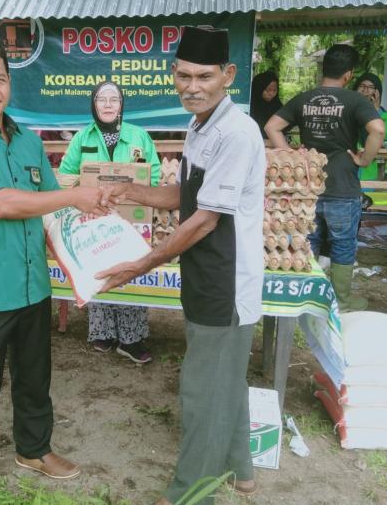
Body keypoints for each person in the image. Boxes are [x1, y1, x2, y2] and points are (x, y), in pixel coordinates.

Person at [0, 35, 111, 505]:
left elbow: (50, 213)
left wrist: (86, 259)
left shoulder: (30, 142)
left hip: (33, 286)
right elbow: (3, 204)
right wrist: (74, 195)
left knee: (35, 380)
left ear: (10, 82)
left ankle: (34, 449)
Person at [96, 27, 265, 504]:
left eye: (205, 76)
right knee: (223, 378)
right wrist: (129, 191)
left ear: (227, 75)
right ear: (174, 74)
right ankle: (242, 472)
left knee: (202, 391)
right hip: (203, 272)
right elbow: (185, 197)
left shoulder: (236, 132)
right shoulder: (200, 125)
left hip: (226, 280)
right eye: (184, 75)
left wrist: (141, 264)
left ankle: (190, 493)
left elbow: (206, 220)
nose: (192, 86)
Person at [265, 45, 385, 312]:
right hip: (343, 185)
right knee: (343, 243)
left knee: (309, 240)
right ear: (349, 74)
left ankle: (307, 297)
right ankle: (341, 301)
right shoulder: (356, 101)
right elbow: (378, 129)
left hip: (308, 185)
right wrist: (365, 159)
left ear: (323, 69)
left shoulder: (303, 99)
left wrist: (288, 155)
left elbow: (272, 126)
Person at [58, 79, 161, 363]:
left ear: (121, 105)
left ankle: (131, 338)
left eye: (113, 99)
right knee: (100, 267)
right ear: (93, 104)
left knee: (129, 267)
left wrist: (135, 195)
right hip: (94, 216)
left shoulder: (139, 136)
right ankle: (102, 332)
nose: (107, 104)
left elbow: (153, 176)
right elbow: (66, 177)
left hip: (131, 215)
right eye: (101, 99)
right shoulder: (82, 138)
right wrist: (79, 198)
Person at [355, 73, 387, 185]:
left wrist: (376, 109)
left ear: (377, 92)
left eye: (370, 87)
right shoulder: (347, 108)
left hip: (368, 170)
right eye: (362, 86)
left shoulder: (380, 113)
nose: (365, 90)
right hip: (347, 168)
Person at [249, 70, 283, 138]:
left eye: (275, 90)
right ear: (259, 89)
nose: (271, 94)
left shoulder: (278, 107)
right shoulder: (249, 107)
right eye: (268, 90)